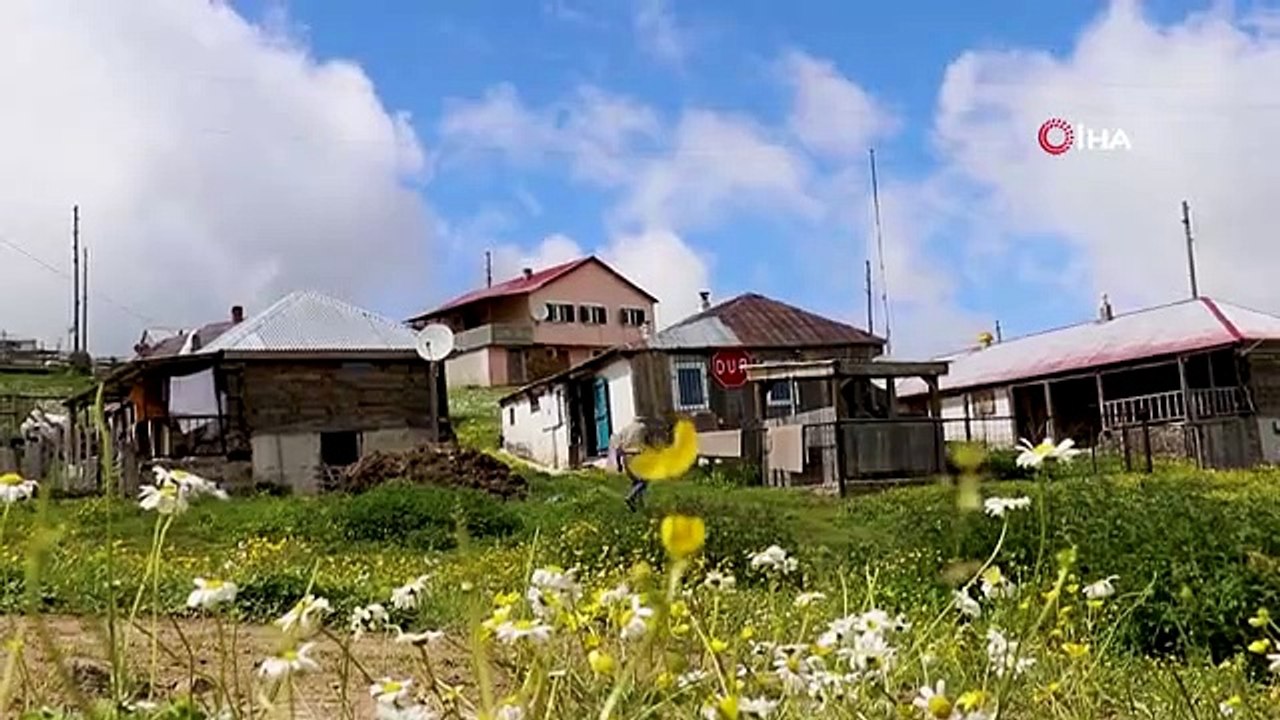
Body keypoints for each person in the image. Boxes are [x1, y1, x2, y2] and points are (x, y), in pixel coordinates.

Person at [609, 420, 648, 512]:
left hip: (625, 459)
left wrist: (619, 465)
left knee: (636, 482)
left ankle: (639, 507)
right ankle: (630, 497)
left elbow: (618, 449)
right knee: (644, 481)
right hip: (635, 457)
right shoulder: (642, 428)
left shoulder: (624, 430)